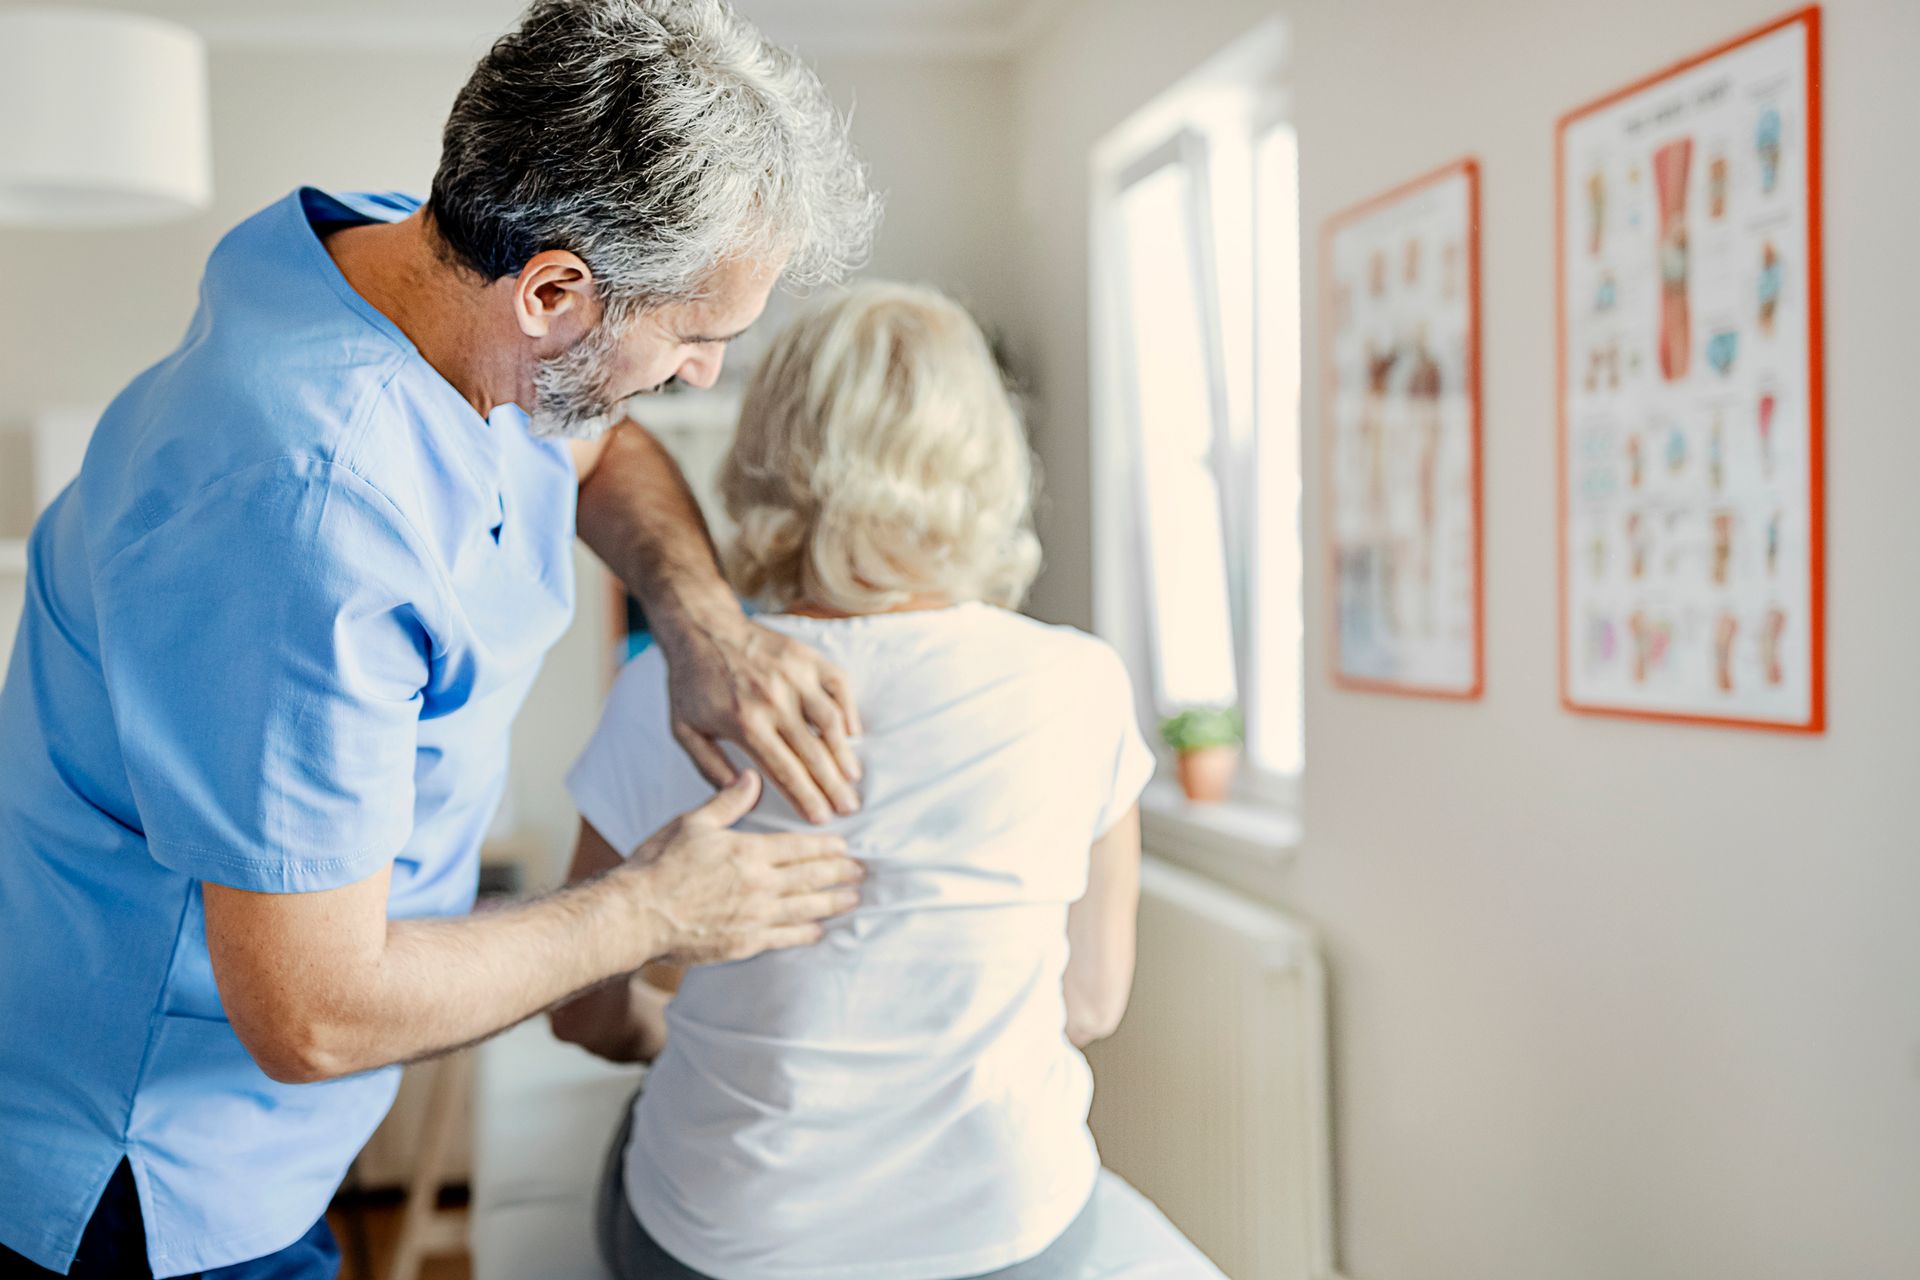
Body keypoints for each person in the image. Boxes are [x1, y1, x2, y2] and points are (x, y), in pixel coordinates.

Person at [0, 2, 881, 1275]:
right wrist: (654, 904)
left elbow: (600, 443)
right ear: (558, 292)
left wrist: (701, 620)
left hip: (267, 1127)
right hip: (142, 1163)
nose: (700, 378)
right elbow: (312, 1009)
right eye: (697, 338)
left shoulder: (421, 259)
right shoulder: (308, 513)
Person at [552, 283, 1155, 1280]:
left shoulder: (672, 686)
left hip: (728, 1243)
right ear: (986, 461)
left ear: (766, 458)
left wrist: (669, 1034)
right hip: (1010, 1235)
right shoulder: (1082, 681)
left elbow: (583, 1008)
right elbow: (1089, 1000)